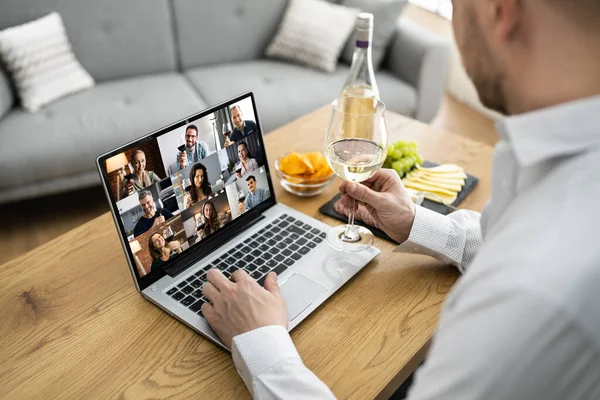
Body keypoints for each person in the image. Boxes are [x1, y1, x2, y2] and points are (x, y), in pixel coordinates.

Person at [198, 0, 600, 398]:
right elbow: (497, 242)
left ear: (500, 11)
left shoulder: (536, 290)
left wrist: (262, 343)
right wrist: (415, 222)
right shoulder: (556, 173)